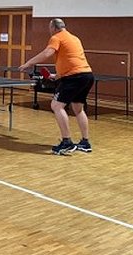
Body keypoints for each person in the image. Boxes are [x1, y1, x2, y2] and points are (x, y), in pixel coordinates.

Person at [19, 18, 93, 155]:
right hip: (86, 75)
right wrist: (58, 75)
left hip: (73, 78)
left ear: (53, 27)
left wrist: (28, 63)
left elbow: (46, 54)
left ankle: (67, 142)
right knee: (78, 109)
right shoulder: (74, 38)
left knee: (56, 106)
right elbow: (71, 59)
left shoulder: (56, 37)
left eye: (49, 28)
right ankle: (85, 142)